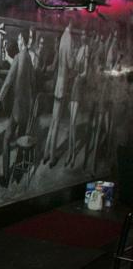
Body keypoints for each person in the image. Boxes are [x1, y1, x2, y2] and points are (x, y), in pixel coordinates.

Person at [0, 31, 36, 187]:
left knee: (6, 139)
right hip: (27, 108)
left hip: (17, 108)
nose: (17, 42)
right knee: (21, 138)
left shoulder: (18, 58)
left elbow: (8, 82)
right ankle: (17, 175)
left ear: (22, 40)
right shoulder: (29, 58)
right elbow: (32, 82)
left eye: (18, 38)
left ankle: (5, 176)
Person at [45, 20, 73, 166]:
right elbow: (70, 63)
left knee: (53, 120)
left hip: (57, 84)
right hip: (63, 85)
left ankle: (45, 154)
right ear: (71, 22)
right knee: (56, 122)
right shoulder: (69, 39)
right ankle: (51, 158)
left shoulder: (62, 37)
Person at [66, 31, 88, 167]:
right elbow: (72, 67)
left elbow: (86, 71)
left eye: (85, 35)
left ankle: (73, 155)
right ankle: (70, 153)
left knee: (73, 122)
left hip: (79, 86)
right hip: (73, 86)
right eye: (82, 35)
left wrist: (79, 76)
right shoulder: (78, 49)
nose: (83, 36)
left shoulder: (86, 49)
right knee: (70, 123)